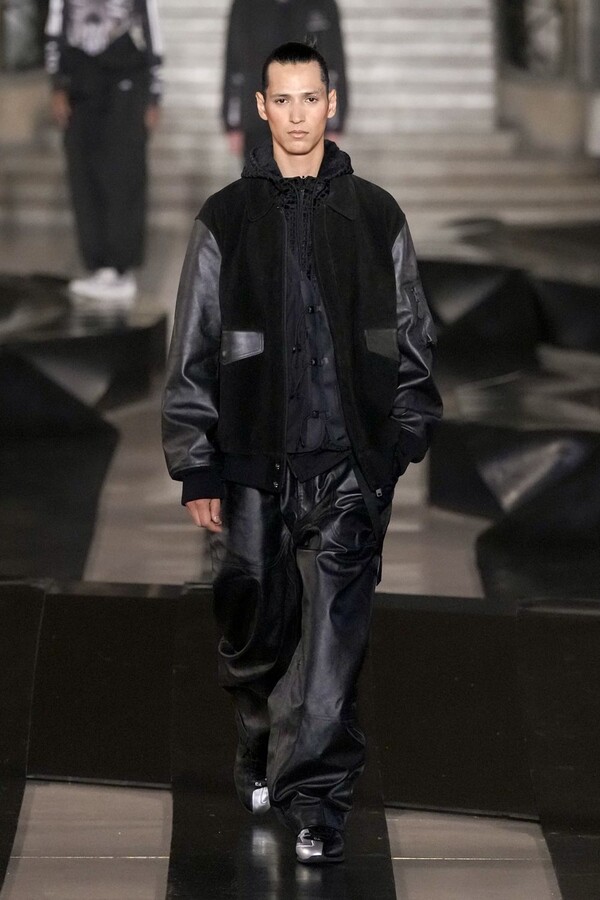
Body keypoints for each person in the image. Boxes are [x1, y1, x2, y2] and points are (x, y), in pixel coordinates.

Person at [162, 42, 442, 865]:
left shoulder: (377, 213)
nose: (295, 114)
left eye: (308, 98)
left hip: (350, 466)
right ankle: (258, 734)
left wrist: (401, 437)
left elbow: (413, 330)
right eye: (281, 99)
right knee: (256, 631)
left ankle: (316, 799)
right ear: (260, 107)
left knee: (331, 649)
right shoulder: (226, 217)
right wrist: (197, 461)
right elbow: (194, 342)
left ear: (331, 103)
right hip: (255, 464)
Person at [44, 0, 163, 310]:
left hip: (125, 75)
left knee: (123, 170)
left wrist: (154, 95)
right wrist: (57, 84)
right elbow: (55, 27)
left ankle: (120, 267)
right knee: (83, 171)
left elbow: (152, 29)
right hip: (80, 78)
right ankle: (99, 266)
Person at [222, 0, 347, 163]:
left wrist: (334, 122)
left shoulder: (322, 4)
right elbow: (234, 66)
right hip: (257, 120)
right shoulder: (245, 5)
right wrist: (233, 123)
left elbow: (334, 65)